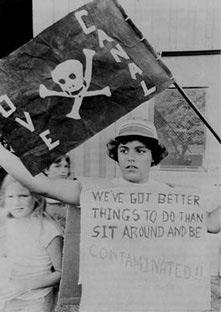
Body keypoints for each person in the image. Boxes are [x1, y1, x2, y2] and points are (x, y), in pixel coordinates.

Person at [0, 118, 219, 231]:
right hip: (111, 292)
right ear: (116, 155)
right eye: (124, 150)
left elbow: (210, 224)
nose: (130, 157)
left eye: (140, 151)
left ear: (153, 156)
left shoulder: (167, 195)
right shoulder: (98, 191)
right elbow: (41, 185)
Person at [0, 175, 63, 312]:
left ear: (36, 197)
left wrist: (25, 285)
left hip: (36, 301)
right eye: (10, 196)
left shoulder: (48, 229)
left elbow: (60, 272)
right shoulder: (6, 222)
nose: (16, 202)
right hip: (8, 298)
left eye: (23, 196)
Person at [43, 154, 75, 230]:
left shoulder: (72, 194)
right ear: (46, 170)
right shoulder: (39, 196)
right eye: (57, 166)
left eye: (66, 166)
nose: (63, 171)